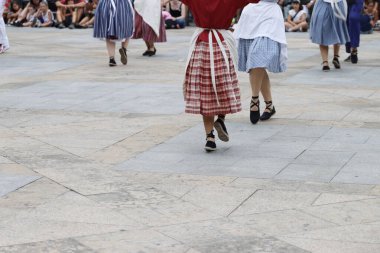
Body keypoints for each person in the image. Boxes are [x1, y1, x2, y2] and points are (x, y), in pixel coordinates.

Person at [175, 0, 258, 152]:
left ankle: (210, 137)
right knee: (223, 87)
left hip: (201, 46)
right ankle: (220, 118)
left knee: (206, 93)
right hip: (222, 44)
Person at [235, 0, 287, 125]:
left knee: (256, 57)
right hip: (251, 14)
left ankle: (254, 100)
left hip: (270, 16)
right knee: (257, 66)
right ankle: (269, 105)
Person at [309, 0, 350, 71]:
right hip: (335, 3)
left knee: (323, 31)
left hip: (326, 4)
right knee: (337, 29)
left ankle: (326, 62)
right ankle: (335, 57)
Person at [93, 0, 134, 66]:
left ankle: (112, 59)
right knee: (127, 27)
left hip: (106, 4)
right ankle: (124, 49)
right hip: (123, 4)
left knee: (109, 32)